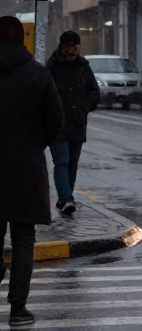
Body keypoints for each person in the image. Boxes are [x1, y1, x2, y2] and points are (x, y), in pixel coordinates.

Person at [0, 16, 64, 326]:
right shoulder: (38, 75)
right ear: (22, 40)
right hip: (26, 168)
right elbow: (56, 120)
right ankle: (17, 308)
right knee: (24, 239)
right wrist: (36, 141)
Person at [46, 30, 100, 215]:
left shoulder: (83, 66)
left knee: (72, 164)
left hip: (77, 123)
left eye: (76, 48)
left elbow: (94, 91)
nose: (72, 51)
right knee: (62, 162)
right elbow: (44, 92)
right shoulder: (52, 66)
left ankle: (64, 198)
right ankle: (67, 198)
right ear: (62, 47)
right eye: (69, 47)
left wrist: (85, 107)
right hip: (57, 123)